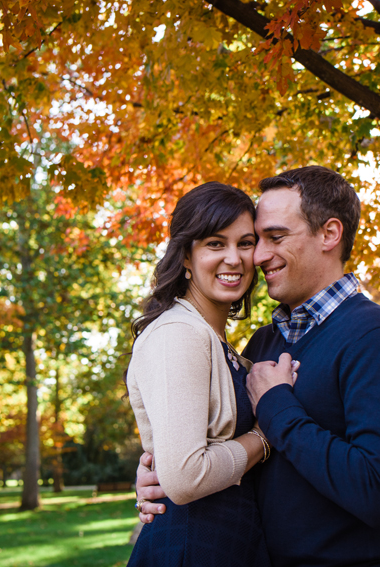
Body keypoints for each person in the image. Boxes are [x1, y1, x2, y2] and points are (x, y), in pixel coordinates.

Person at [136, 166, 380, 567]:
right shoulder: (262, 343)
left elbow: (377, 492)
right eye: (260, 240)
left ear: (329, 234)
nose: (258, 256)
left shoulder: (378, 337)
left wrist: (277, 409)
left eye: (274, 237)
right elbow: (223, 456)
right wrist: (160, 470)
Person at [125, 182, 295, 567]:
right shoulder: (178, 334)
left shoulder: (217, 342)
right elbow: (185, 478)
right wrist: (265, 435)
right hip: (192, 545)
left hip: (231, 542)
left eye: (245, 243)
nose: (234, 258)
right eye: (215, 244)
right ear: (186, 256)